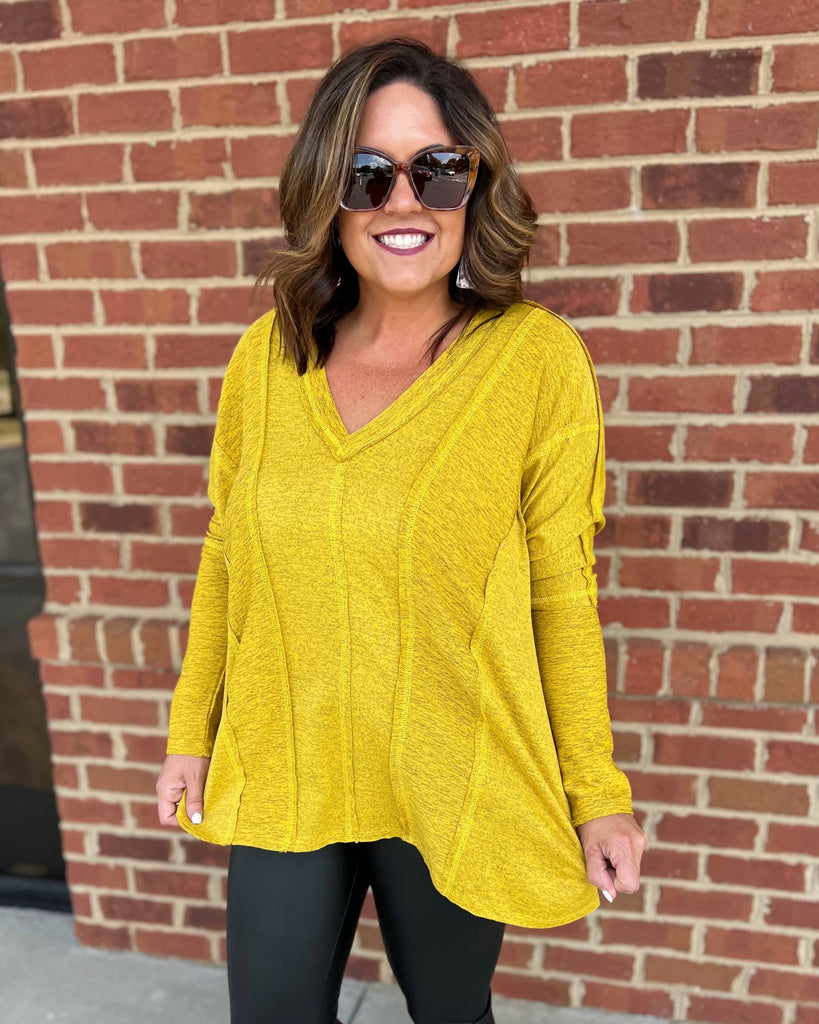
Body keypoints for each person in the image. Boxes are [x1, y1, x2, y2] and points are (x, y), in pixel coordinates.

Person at [156, 37, 646, 1024]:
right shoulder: (266, 359)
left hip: (452, 768)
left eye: (438, 169)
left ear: (477, 183)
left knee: (451, 1014)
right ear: (326, 195)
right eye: (367, 173)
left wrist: (596, 791)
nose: (404, 202)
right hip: (287, 756)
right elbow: (226, 554)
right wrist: (189, 733)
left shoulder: (535, 363)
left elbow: (560, 589)